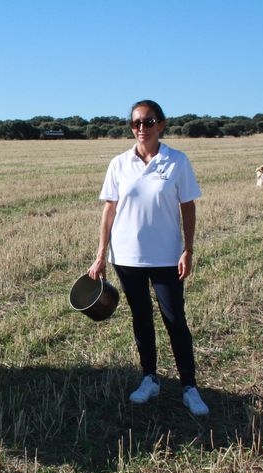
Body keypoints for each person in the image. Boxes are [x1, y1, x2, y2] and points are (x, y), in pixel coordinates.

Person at [87, 99, 209, 416]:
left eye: (148, 121)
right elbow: (109, 210)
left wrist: (189, 249)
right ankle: (149, 379)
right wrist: (101, 254)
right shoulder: (119, 164)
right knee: (141, 319)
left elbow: (188, 207)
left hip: (167, 257)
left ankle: (189, 387)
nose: (142, 128)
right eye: (136, 123)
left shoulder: (177, 162)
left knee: (175, 321)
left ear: (162, 125)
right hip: (126, 258)